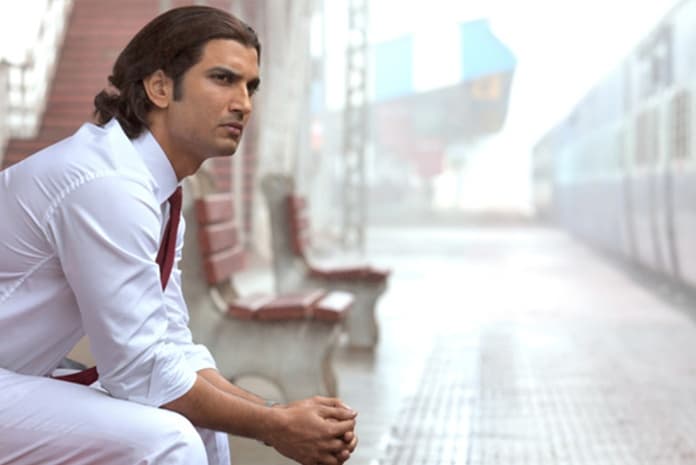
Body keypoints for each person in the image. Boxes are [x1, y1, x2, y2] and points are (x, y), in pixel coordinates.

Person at [0, 5, 358, 465]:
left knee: (199, 422)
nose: (243, 103)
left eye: (250, 87)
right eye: (223, 79)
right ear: (160, 87)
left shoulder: (151, 190)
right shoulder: (106, 184)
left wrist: (276, 414)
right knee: (167, 439)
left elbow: (168, 343)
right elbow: (139, 368)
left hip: (15, 376)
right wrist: (274, 426)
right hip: (11, 377)